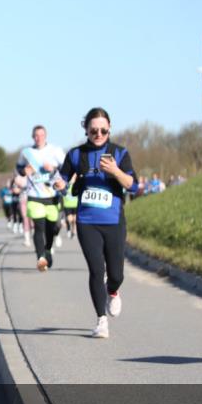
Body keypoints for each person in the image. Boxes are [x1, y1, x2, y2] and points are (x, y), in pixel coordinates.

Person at [54, 107, 137, 339]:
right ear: (86, 130)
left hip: (114, 221)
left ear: (109, 129)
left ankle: (113, 291)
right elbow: (62, 179)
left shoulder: (119, 153)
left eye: (103, 130)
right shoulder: (76, 155)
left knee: (116, 274)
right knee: (96, 270)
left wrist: (115, 171)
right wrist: (60, 185)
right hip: (87, 221)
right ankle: (101, 320)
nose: (98, 134)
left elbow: (133, 185)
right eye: (93, 131)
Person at [16, 125, 65, 271]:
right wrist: (24, 171)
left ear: (46, 136)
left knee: (52, 228)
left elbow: (67, 168)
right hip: (34, 195)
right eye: (36, 135)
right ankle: (41, 258)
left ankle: (48, 249)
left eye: (41, 135)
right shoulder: (26, 152)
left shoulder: (55, 151)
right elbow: (19, 168)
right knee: (39, 227)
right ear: (33, 137)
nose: (39, 138)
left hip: (52, 196)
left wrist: (54, 169)